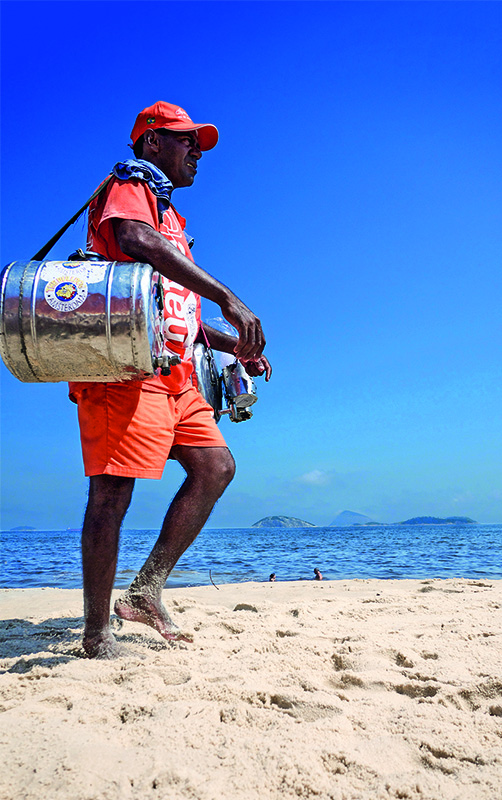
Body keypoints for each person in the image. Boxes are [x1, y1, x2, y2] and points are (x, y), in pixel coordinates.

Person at [69, 101, 271, 659]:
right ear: (152, 142)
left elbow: (180, 313)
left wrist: (240, 347)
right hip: (129, 372)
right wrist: (229, 296)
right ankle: (96, 634)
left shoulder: (174, 221)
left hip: (177, 373)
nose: (197, 154)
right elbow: (133, 238)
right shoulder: (130, 186)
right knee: (112, 493)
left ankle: (146, 590)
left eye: (199, 145)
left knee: (215, 466)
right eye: (187, 141)